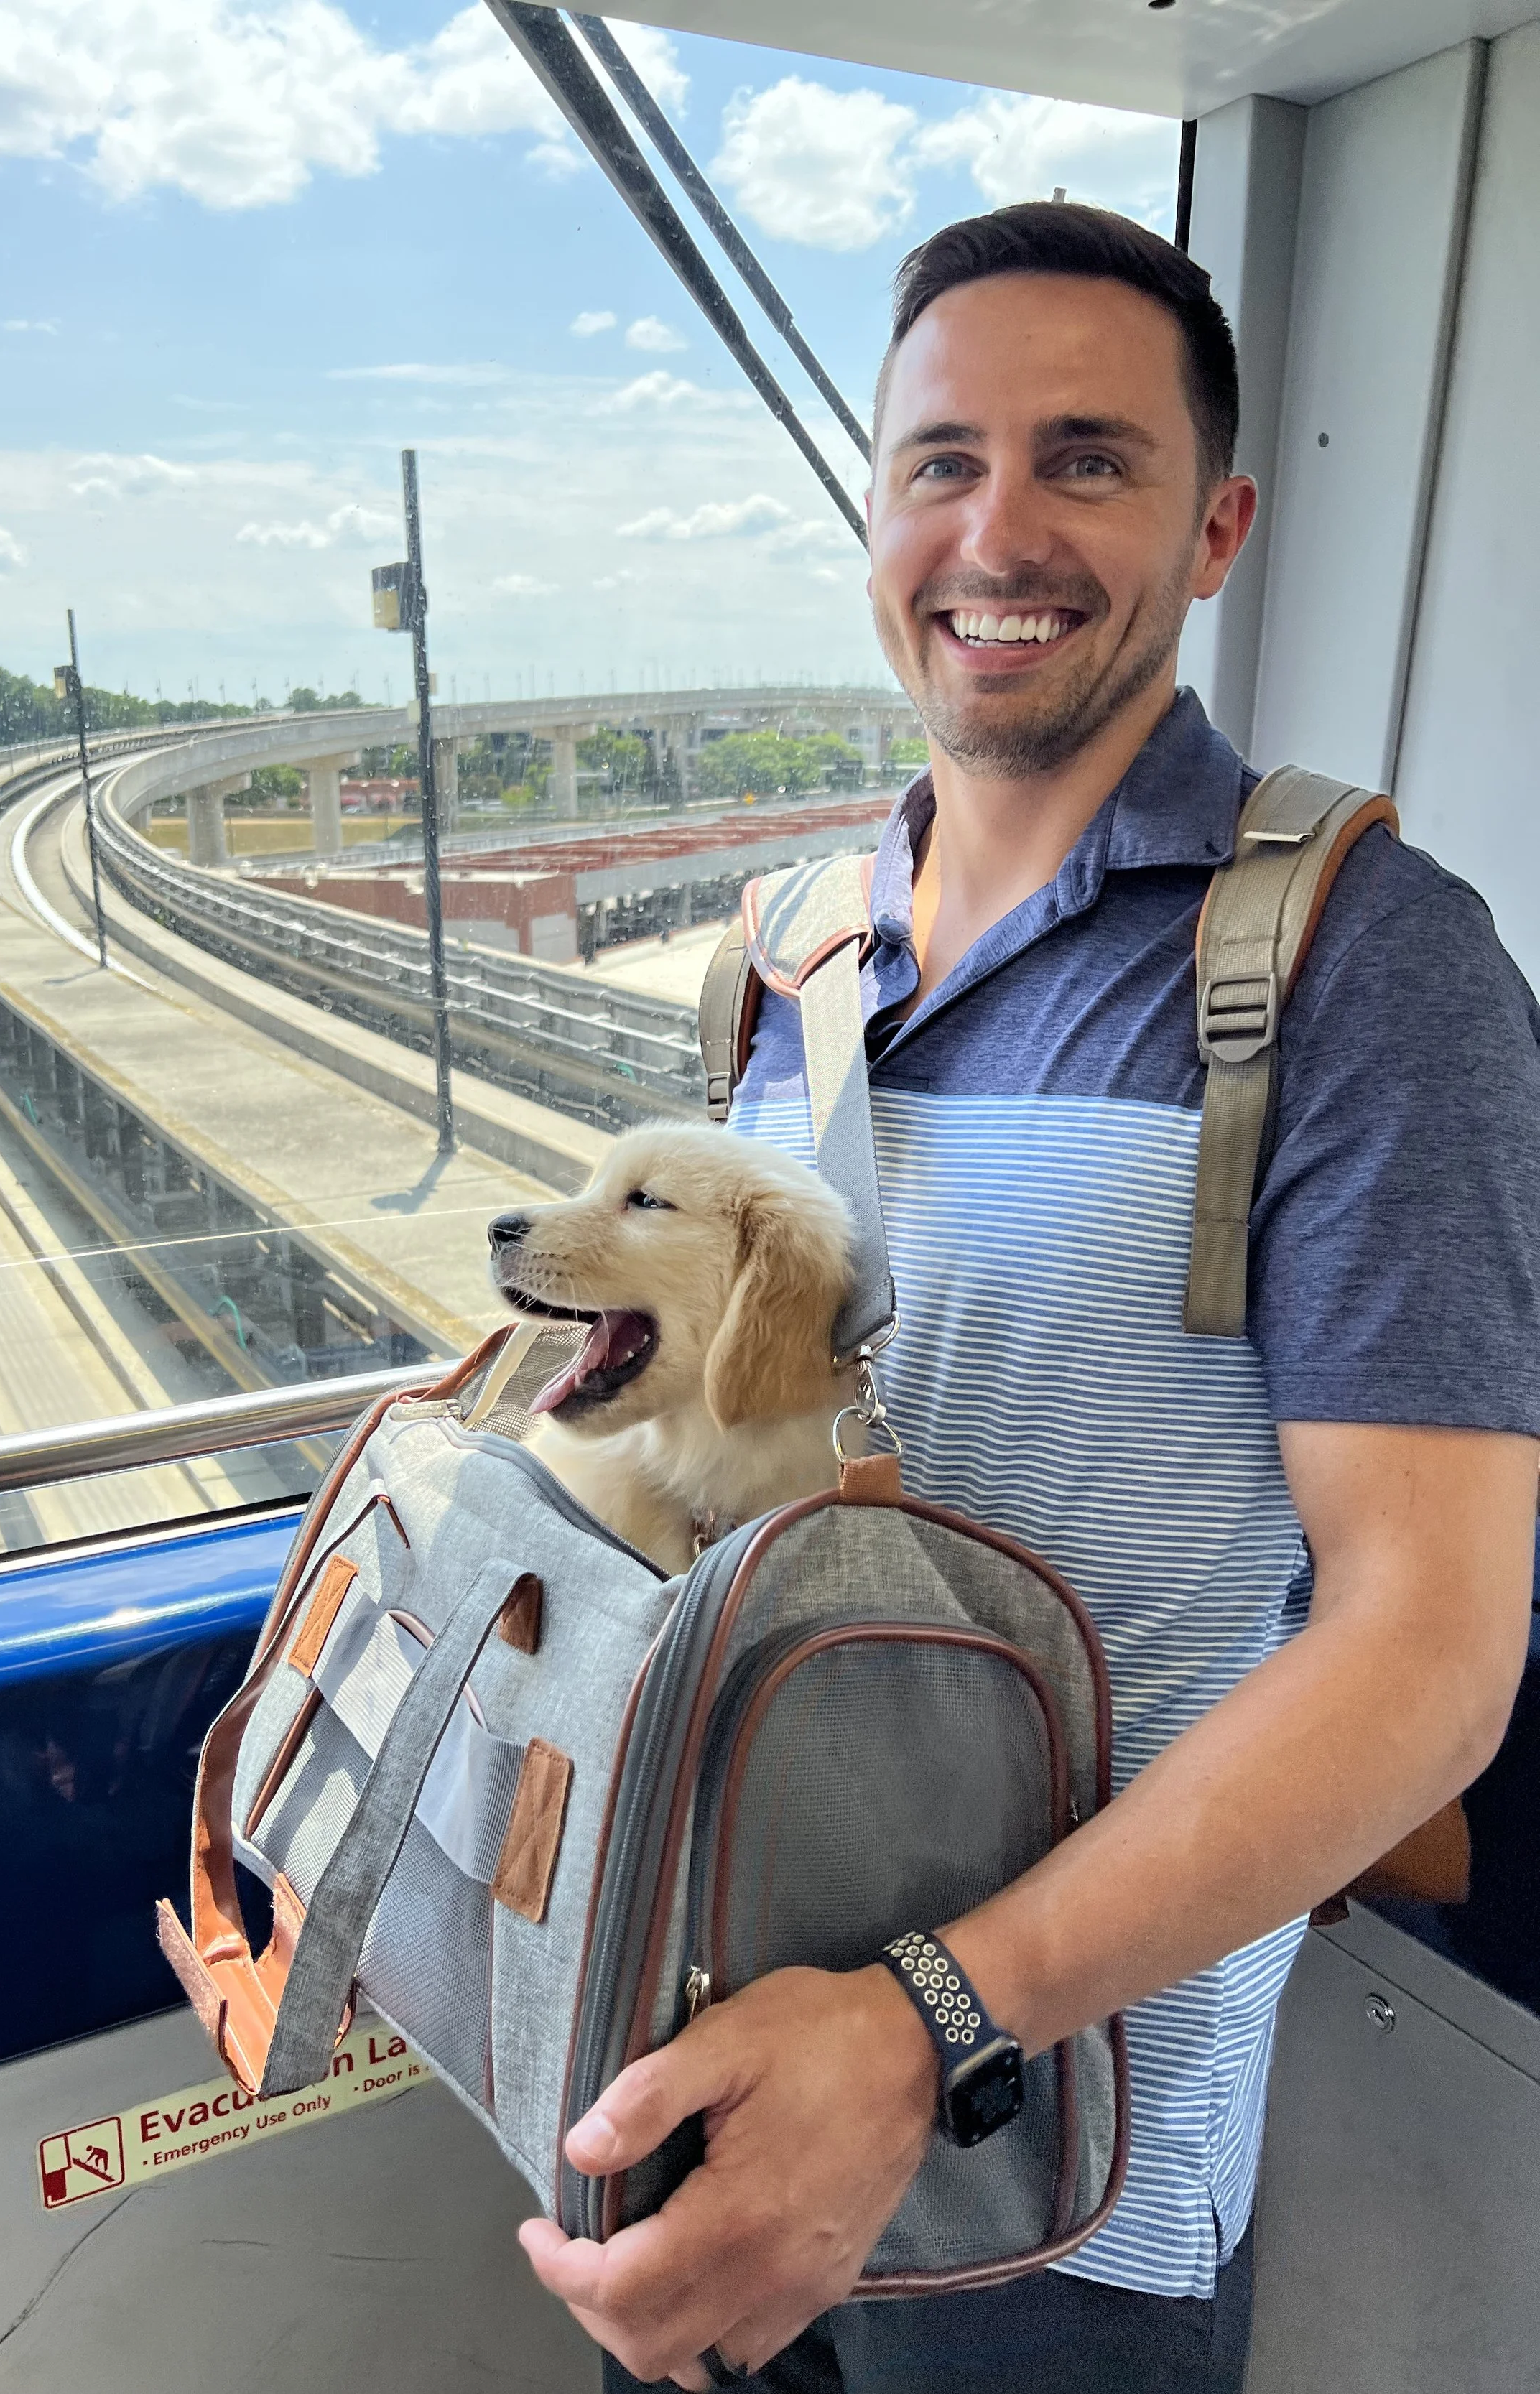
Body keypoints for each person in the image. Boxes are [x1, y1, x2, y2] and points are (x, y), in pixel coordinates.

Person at [519, 203, 1540, 2391]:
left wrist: (925, 2019)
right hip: (694, 2047)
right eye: (939, 462)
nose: (1000, 529)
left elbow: (1425, 1652)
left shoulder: (1359, 965)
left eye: (1088, 458)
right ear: (875, 510)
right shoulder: (786, 958)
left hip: (1056, 2159)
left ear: (1215, 525)